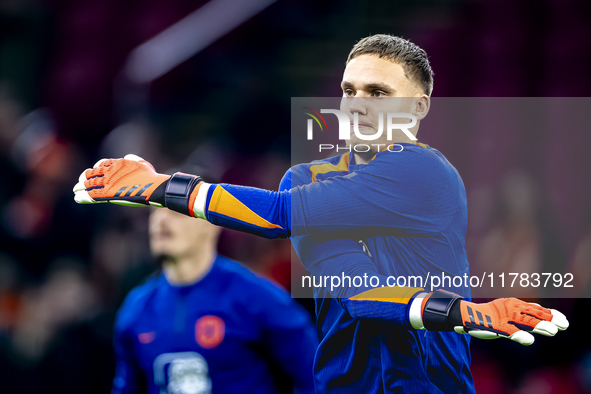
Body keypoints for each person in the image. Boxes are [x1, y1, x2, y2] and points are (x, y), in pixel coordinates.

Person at [75, 35, 568, 393]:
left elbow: (281, 216)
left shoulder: (426, 174)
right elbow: (359, 294)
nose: (357, 105)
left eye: (378, 94)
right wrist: (464, 312)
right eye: (349, 90)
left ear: (417, 109)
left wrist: (161, 187)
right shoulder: (305, 179)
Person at [111, 193, 318, 393]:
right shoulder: (136, 310)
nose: (161, 220)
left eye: (175, 210)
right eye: (155, 211)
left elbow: (313, 376)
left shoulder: (256, 298)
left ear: (210, 222)